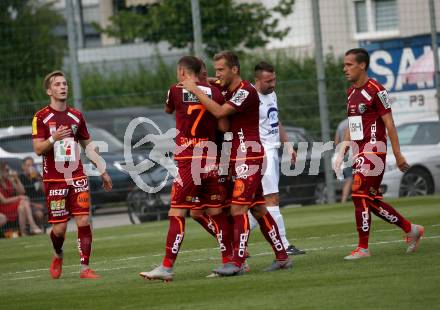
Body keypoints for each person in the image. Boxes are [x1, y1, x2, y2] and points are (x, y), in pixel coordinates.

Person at [181, 51, 291, 276]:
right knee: (259, 209)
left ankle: (237, 262)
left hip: (249, 156)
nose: (217, 74)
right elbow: (212, 83)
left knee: (238, 208)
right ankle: (282, 257)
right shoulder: (226, 88)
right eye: (216, 69)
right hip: (237, 156)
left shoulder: (246, 91)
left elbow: (220, 111)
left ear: (235, 69)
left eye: (221, 69)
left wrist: (194, 89)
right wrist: (202, 80)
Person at [139, 56, 230, 281]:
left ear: (181, 71)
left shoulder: (175, 90)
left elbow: (168, 109)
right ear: (201, 71)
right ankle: (232, 261)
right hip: (212, 158)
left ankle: (167, 267)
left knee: (177, 212)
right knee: (215, 213)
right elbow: (222, 124)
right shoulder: (215, 93)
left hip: (190, 159)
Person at [333, 48, 424, 260]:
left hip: (374, 149)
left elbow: (390, 124)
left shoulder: (376, 90)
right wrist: (343, 150)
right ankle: (411, 229)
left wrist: (398, 154)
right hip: (360, 150)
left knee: (358, 193)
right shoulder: (351, 93)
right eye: (344, 64)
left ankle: (363, 248)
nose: (344, 68)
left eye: (349, 64)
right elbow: (352, 124)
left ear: (362, 65)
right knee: (369, 200)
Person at [32, 70, 113, 279]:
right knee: (59, 230)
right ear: (49, 90)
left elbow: (88, 145)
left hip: (76, 175)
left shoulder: (76, 116)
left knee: (83, 220)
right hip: (54, 179)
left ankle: (85, 268)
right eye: (57, 84)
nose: (63, 87)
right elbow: (38, 149)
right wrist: (54, 138)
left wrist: (102, 170)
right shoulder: (41, 117)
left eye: (65, 83)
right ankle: (57, 254)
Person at [246, 61, 305, 256]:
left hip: (273, 150)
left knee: (260, 203)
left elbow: (276, 120)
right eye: (268, 81)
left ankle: (235, 236)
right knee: (272, 198)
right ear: (257, 80)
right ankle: (284, 244)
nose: (272, 84)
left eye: (274, 80)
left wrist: (287, 145)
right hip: (261, 153)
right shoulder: (250, 97)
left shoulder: (272, 94)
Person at [0, 162, 42, 236]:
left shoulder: (8, 180)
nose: (8, 172)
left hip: (12, 205)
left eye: (8, 170)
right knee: (23, 201)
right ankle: (33, 225)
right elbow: (3, 201)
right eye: (6, 170)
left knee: (21, 207)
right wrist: (19, 197)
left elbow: (22, 191)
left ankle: (23, 233)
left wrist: (16, 179)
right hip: (4, 207)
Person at [19, 157, 46, 226]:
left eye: (32, 165)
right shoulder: (21, 177)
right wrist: (35, 205)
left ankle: (43, 230)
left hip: (41, 202)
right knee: (39, 214)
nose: (31, 168)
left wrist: (39, 178)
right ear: (23, 167)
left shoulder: (37, 176)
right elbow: (21, 194)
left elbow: (45, 190)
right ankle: (39, 230)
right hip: (30, 204)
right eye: (28, 165)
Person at [334, 118, 353, 203]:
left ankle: (343, 200)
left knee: (349, 178)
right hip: (356, 152)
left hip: (345, 154)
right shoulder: (357, 121)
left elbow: (336, 142)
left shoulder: (341, 124)